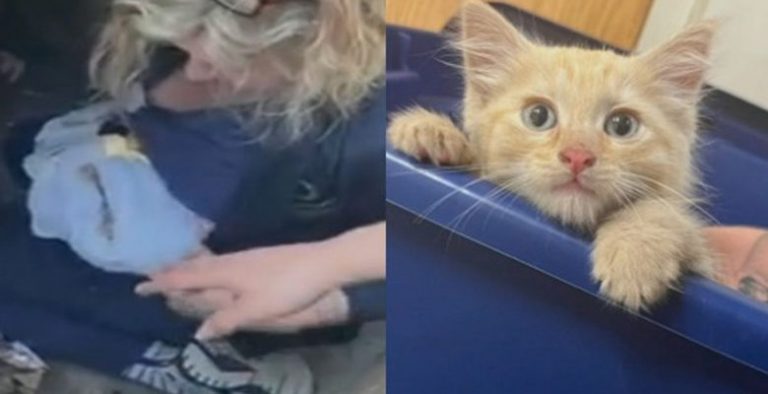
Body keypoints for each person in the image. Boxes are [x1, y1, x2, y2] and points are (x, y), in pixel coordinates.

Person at [0, 0, 386, 392]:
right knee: (21, 146)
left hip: (230, 279)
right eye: (180, 44)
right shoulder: (172, 35)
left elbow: (431, 253)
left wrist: (334, 299)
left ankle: (196, 368)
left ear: (320, 50)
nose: (194, 69)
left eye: (230, 58)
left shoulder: (376, 135)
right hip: (121, 161)